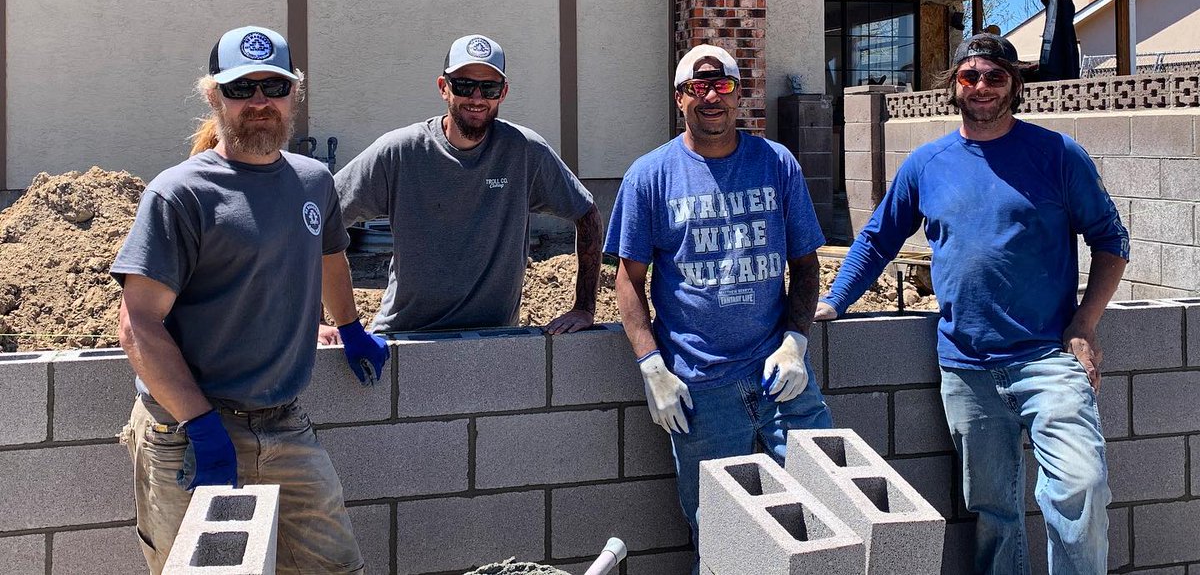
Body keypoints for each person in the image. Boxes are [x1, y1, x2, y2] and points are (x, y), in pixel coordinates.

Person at [818, 33, 1129, 575]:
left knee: (1080, 488)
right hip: (966, 368)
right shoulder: (926, 164)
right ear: (954, 85)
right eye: (970, 76)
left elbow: (1111, 241)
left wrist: (1085, 324)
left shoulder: (1057, 155)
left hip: (1048, 359)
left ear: (1014, 85)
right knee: (993, 513)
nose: (981, 87)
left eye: (995, 76)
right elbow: (876, 240)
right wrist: (834, 302)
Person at [113, 25, 389, 575]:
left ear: (294, 93)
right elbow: (138, 324)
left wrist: (351, 325)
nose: (259, 102)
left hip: (283, 423)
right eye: (242, 89)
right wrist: (199, 425)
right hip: (187, 433)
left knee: (337, 568)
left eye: (273, 86)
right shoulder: (181, 193)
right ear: (214, 96)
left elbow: (330, 255)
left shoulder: (313, 183)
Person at [604, 44, 832, 569]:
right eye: (698, 86)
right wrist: (651, 366)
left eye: (723, 85)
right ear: (679, 98)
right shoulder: (650, 176)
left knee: (827, 509)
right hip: (699, 391)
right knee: (722, 537)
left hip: (781, 380)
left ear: (739, 94)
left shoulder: (777, 164)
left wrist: (796, 343)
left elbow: (805, 263)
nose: (712, 96)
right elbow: (629, 280)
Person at [335, 33, 601, 334]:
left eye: (489, 87)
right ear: (443, 88)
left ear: (503, 93)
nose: (476, 98)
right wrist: (320, 320)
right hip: (407, 339)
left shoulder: (524, 152)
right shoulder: (401, 152)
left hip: (494, 340)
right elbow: (321, 217)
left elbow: (587, 213)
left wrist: (584, 308)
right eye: (464, 85)